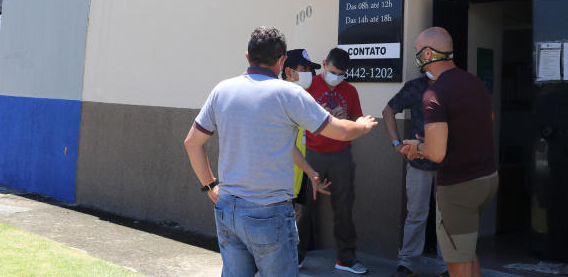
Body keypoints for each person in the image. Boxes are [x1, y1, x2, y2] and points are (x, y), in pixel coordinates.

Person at [184, 27, 377, 277]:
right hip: (269, 211)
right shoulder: (289, 94)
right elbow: (340, 131)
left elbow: (192, 142)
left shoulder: (222, 90)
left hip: (227, 207)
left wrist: (210, 187)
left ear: (247, 56)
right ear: (283, 60)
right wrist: (361, 126)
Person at [400, 28, 498, 277]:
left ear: (429, 53)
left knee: (458, 265)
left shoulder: (434, 93)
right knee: (467, 252)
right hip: (486, 180)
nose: (417, 57)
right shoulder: (474, 82)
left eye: (417, 52)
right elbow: (489, 118)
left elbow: (436, 154)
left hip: (458, 189)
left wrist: (417, 147)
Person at [297, 48, 368, 274]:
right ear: (324, 64)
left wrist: (347, 119)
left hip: (341, 154)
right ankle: (294, 257)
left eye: (341, 74)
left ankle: (346, 259)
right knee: (304, 208)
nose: (336, 77)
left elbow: (359, 121)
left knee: (344, 208)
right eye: (334, 71)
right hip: (312, 153)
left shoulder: (351, 91)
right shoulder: (309, 85)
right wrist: (318, 113)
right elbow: (296, 117)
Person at [382, 72, 449, 277]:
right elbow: (388, 111)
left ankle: (447, 267)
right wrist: (396, 143)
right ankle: (408, 264)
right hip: (419, 160)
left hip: (450, 164)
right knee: (416, 214)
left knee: (447, 217)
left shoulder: (455, 85)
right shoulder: (415, 87)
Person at [280, 49, 332, 205]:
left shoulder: (301, 99)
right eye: (304, 69)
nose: (309, 73)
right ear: (289, 72)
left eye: (310, 70)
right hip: (280, 183)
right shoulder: (280, 98)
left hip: (297, 178)